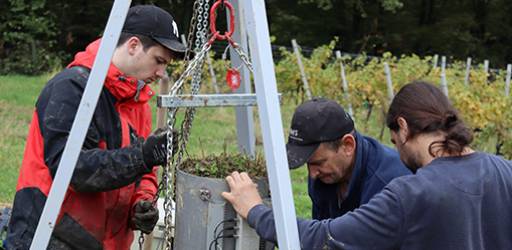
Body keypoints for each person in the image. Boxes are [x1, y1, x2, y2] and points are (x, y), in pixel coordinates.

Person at [222, 81, 512, 249]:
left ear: (403, 128)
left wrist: (255, 210)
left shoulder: (408, 193)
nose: (397, 152)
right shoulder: (504, 170)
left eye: (396, 142)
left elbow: (324, 237)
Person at [5, 5, 186, 249]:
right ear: (133, 45)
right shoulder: (71, 88)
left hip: (104, 242)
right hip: (49, 238)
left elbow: (143, 171)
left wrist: (140, 203)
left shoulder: (137, 101)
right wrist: (142, 156)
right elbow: (73, 169)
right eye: (159, 60)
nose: (162, 72)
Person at [286, 98, 410, 219]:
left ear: (348, 145)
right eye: (308, 164)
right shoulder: (322, 176)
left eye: (319, 163)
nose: (312, 174)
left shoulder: (390, 185)